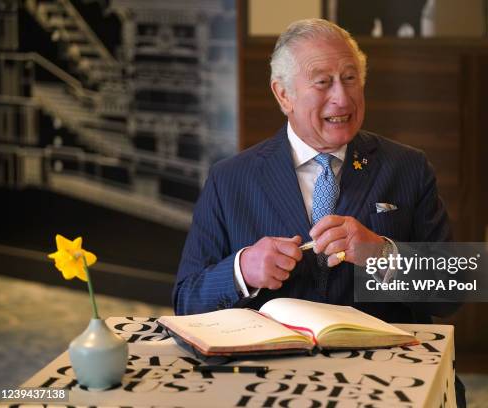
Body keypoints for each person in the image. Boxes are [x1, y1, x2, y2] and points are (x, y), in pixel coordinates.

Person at [174, 18, 465, 405]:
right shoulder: (230, 180)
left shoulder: (408, 167)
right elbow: (185, 302)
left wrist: (384, 256)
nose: (342, 99)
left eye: (350, 79)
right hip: (266, 383)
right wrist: (241, 270)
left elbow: (451, 289)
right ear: (284, 95)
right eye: (323, 82)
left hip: (385, 379)